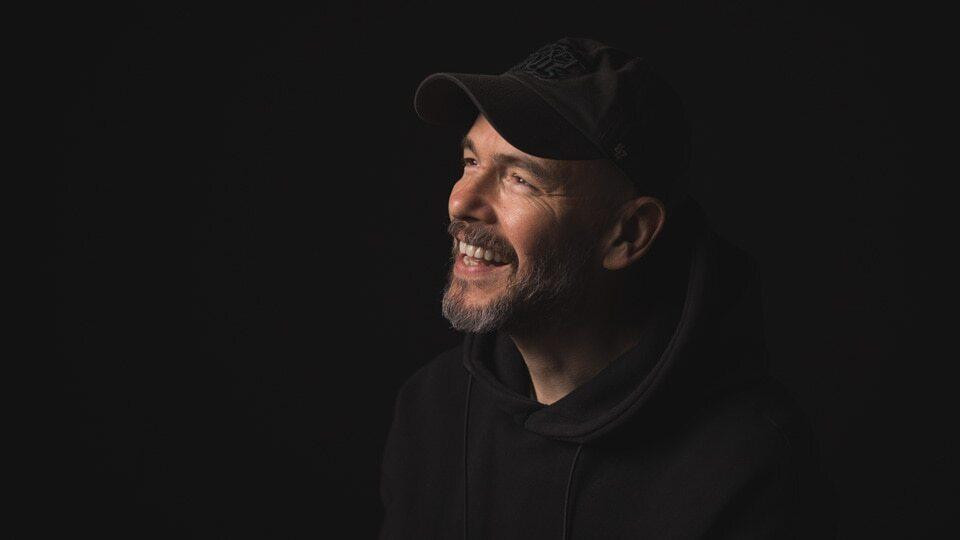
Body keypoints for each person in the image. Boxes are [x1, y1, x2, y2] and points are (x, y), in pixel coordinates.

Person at [378, 37, 836, 539]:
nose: (461, 202)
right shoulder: (430, 410)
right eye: (471, 162)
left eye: (520, 179)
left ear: (628, 234)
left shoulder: (748, 462)